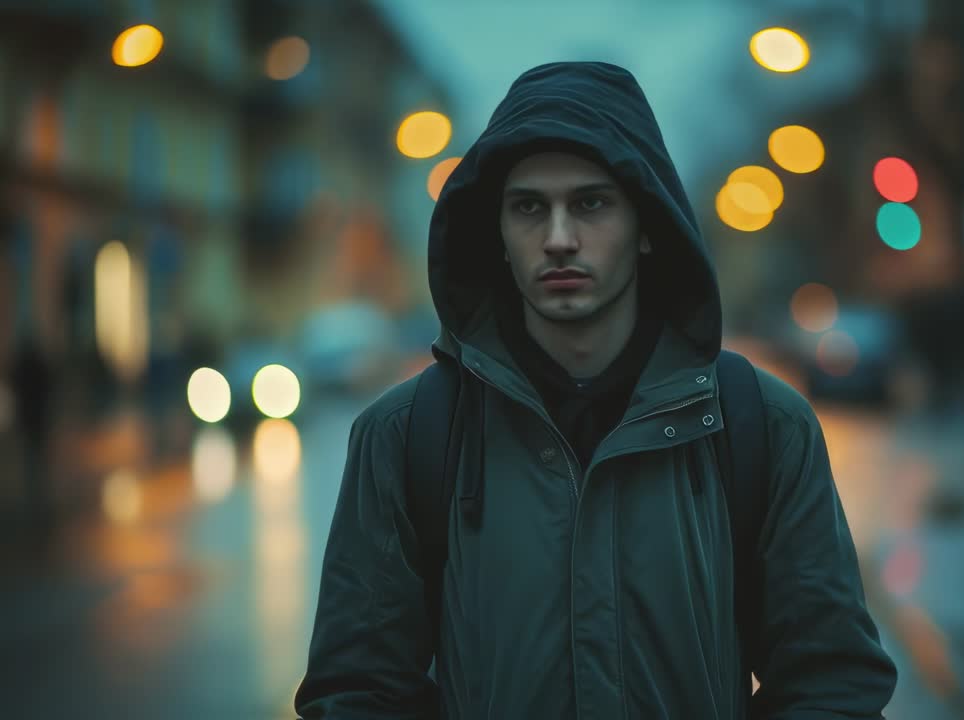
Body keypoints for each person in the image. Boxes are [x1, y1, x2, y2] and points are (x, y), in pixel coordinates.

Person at [296, 61, 897, 719]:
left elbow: (833, 683)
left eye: (590, 203)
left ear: (646, 224)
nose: (559, 238)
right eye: (529, 207)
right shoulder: (407, 435)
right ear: (495, 231)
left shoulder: (763, 427)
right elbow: (355, 693)